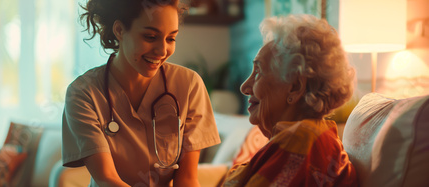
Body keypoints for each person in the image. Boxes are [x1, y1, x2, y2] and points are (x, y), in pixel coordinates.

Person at [62, 0, 221, 186]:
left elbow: (187, 179)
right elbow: (106, 179)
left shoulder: (189, 86)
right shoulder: (83, 93)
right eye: (150, 36)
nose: (162, 50)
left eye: (171, 38)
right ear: (119, 30)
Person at [223, 14, 358, 186]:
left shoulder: (301, 140)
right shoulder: (311, 138)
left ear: (295, 87)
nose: (244, 87)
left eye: (259, 72)